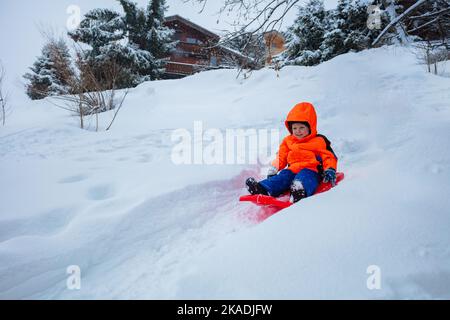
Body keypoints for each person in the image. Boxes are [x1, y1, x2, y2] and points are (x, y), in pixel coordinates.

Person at [246, 102, 338, 203]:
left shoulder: (319, 140)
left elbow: (328, 156)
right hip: (292, 169)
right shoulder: (288, 141)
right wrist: (275, 168)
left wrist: (330, 169)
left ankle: (299, 191)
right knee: (282, 177)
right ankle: (262, 188)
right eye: (294, 128)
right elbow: (281, 156)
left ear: (310, 127)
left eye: (301, 127)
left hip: (311, 170)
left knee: (305, 178)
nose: (298, 131)